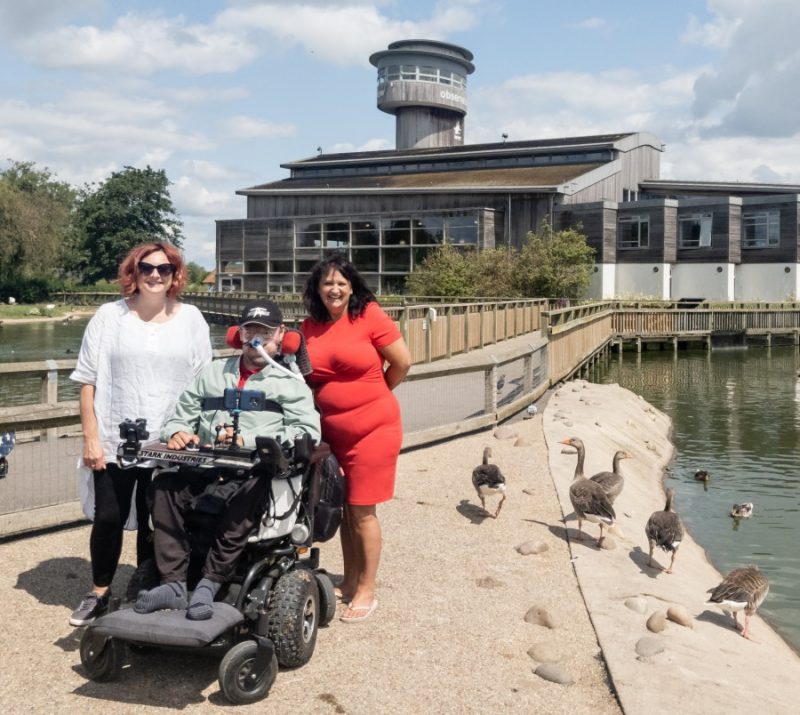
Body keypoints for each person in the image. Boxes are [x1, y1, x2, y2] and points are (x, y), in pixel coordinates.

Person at [134, 299, 321, 620]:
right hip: (207, 468)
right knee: (164, 485)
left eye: (265, 332)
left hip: (257, 474)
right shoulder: (210, 374)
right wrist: (177, 433)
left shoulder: (291, 384)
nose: (257, 340)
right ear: (240, 334)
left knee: (249, 491)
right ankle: (174, 583)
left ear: (281, 335)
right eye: (251, 331)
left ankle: (209, 582)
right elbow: (179, 418)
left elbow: (307, 432)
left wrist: (247, 441)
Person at [69, 242, 212, 626]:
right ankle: (99, 591)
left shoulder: (192, 319)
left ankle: (146, 588)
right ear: (134, 272)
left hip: (170, 441)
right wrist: (90, 437)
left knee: (159, 520)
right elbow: (87, 381)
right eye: (146, 268)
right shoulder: (109, 316)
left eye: (163, 270)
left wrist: (195, 431)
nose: (154, 275)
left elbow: (204, 382)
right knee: (109, 517)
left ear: (174, 276)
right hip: (116, 438)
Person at [301, 254, 411, 623]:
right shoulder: (310, 326)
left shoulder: (370, 316)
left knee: (363, 510)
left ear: (352, 287)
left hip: (373, 429)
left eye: (341, 283)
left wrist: (376, 394)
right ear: (317, 288)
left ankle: (367, 589)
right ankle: (348, 581)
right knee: (345, 508)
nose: (334, 289)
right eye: (327, 283)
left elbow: (402, 363)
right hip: (331, 432)